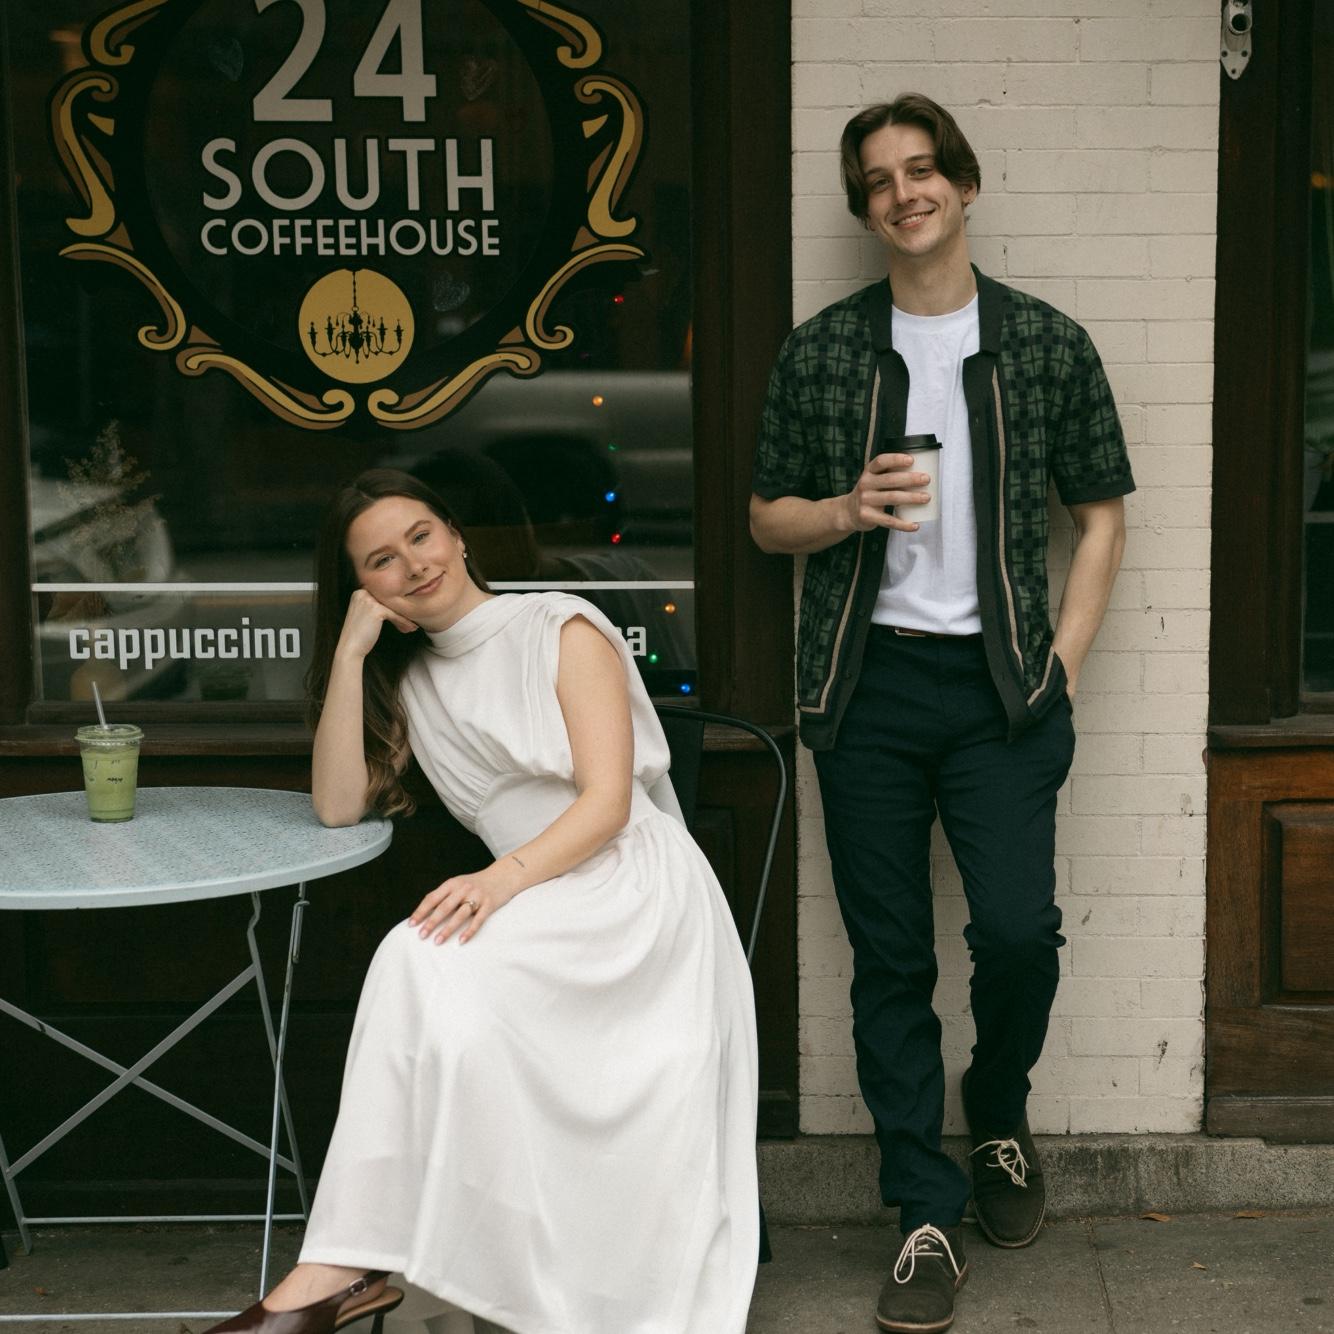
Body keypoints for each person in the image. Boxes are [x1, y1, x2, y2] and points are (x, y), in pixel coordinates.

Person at [206, 468, 759, 1334]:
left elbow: (609, 805)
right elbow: (338, 804)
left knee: (415, 957)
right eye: (381, 561)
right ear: (363, 589)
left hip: (628, 889)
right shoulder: (410, 679)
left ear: (458, 535)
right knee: (425, 975)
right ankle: (343, 1267)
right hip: (537, 900)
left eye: (421, 536)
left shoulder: (560, 626)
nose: (413, 565)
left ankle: (340, 1273)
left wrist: (499, 881)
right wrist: (350, 655)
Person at [749, 94, 1133, 1334]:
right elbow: (765, 517)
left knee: (1016, 933)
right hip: (863, 688)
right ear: (862, 209)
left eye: (921, 171)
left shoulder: (1045, 344)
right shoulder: (821, 352)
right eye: (877, 180)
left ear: (961, 186)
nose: (902, 193)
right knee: (890, 958)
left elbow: (1100, 515)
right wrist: (843, 510)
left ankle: (997, 1104)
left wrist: (1057, 664)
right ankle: (922, 1205)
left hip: (999, 691)